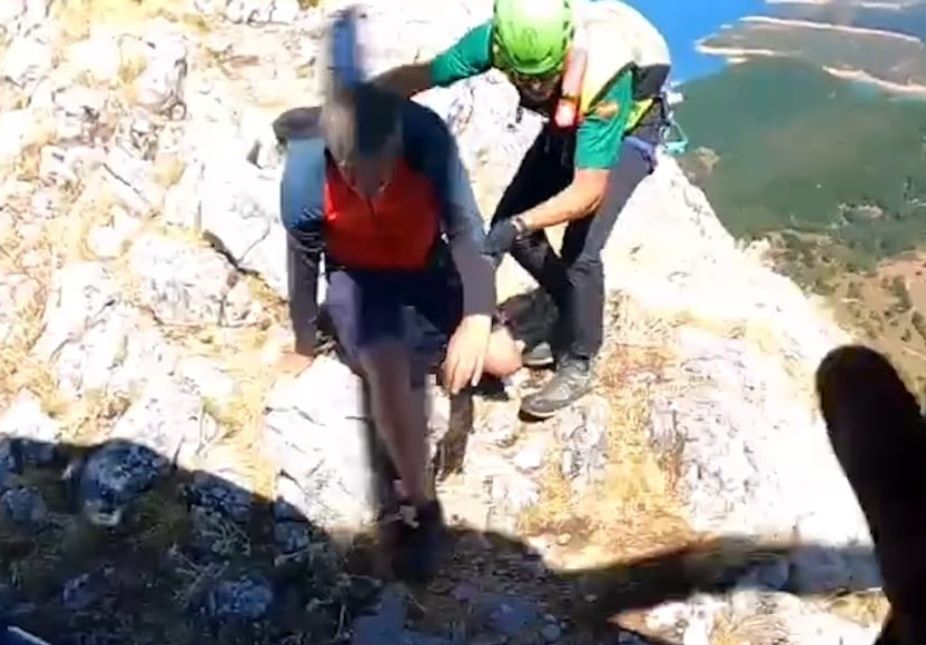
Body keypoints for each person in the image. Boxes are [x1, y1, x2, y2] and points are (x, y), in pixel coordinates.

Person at [275, 77, 525, 580]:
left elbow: (466, 233)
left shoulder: (428, 142)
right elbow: (303, 266)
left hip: (426, 263)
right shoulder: (305, 180)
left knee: (503, 360)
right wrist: (304, 342)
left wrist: (477, 316)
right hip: (357, 275)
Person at [374, 0, 673, 419]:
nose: (533, 89)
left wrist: (520, 223)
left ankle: (579, 359)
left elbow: (588, 190)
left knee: (580, 252)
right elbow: (427, 74)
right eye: (524, 80)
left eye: (543, 79)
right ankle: (570, 308)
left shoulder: (605, 73)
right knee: (510, 227)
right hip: (569, 119)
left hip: (627, 129)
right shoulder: (497, 42)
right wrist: (362, 102)